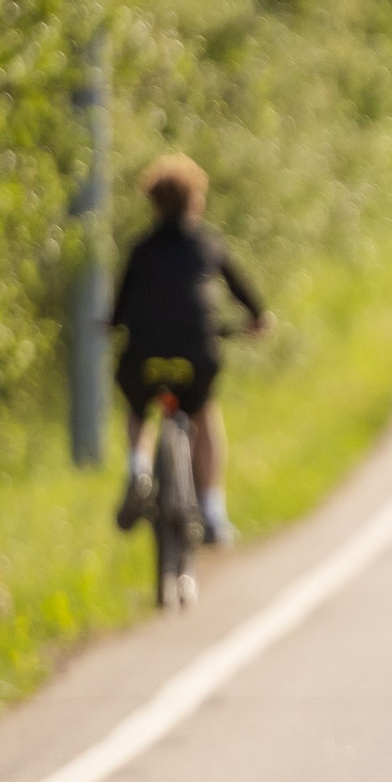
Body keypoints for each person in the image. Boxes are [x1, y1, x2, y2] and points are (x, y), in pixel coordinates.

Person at [110, 154, 270, 545]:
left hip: (144, 355)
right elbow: (239, 287)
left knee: (138, 409)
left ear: (154, 203)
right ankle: (213, 513)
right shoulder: (206, 244)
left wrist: (110, 324)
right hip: (195, 352)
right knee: (204, 415)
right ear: (195, 201)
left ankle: (138, 467)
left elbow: (121, 305)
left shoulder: (141, 248)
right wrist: (257, 318)